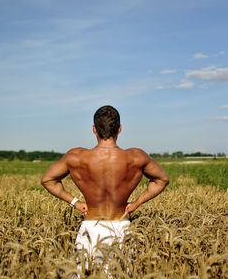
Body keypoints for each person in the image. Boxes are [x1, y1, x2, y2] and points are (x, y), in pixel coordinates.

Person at [41, 105, 169, 260]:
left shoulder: (76, 157)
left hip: (90, 230)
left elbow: (47, 179)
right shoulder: (137, 157)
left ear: (94, 129)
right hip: (122, 229)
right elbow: (162, 179)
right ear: (120, 129)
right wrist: (136, 203)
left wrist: (75, 202)